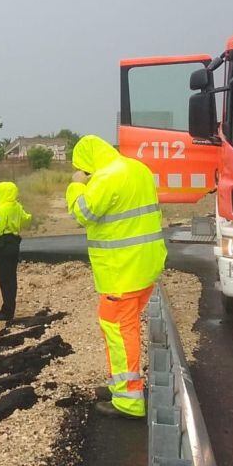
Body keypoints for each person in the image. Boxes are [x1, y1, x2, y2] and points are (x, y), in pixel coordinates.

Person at [66, 135, 166, 419]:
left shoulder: (106, 178)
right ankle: (119, 386)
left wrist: (76, 185)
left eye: (83, 168)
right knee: (126, 329)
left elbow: (83, 214)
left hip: (121, 273)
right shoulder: (137, 169)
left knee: (120, 333)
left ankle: (128, 400)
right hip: (144, 268)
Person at [0, 181, 32, 321]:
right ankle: (9, 307)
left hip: (3, 246)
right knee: (11, 278)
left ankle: (7, 311)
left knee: (5, 279)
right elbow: (27, 217)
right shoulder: (17, 206)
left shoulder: (1, 211)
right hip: (14, 243)